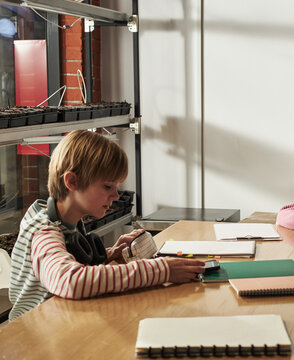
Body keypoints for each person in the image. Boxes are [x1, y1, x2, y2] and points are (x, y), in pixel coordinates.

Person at [9, 130, 204, 321]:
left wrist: (108, 255)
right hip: (34, 337)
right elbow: (70, 281)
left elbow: (65, 260)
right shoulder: (45, 232)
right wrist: (162, 270)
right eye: (107, 186)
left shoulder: (67, 222)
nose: (116, 196)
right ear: (72, 181)